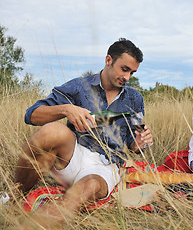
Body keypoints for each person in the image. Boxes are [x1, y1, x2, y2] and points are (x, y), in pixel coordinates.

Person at [12, 38, 153, 227]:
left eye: (132, 73)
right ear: (108, 60)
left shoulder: (135, 98)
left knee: (89, 186)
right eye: (124, 69)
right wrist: (66, 110)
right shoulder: (79, 86)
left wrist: (139, 143)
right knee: (53, 131)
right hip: (71, 156)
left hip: (104, 168)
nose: (127, 77)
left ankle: (32, 225)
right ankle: (13, 197)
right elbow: (31, 115)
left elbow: (133, 144)